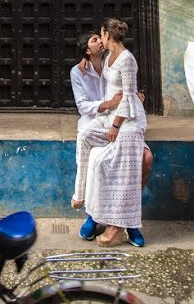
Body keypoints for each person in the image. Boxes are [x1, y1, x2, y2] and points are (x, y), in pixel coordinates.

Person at [71, 31, 153, 247]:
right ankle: (93, 215)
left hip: (122, 122)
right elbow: (82, 106)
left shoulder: (114, 60)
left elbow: (127, 90)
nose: (100, 40)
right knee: (95, 157)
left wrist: (134, 98)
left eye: (101, 37)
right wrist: (109, 104)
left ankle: (129, 219)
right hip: (96, 122)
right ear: (88, 51)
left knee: (145, 158)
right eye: (95, 39)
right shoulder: (78, 72)